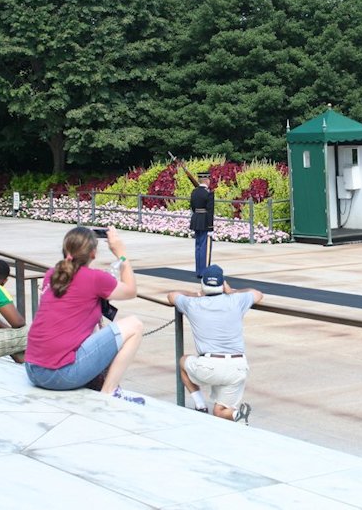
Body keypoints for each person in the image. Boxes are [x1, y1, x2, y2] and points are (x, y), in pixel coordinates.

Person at [25, 226, 145, 404]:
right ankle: (110, 391)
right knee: (135, 325)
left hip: (33, 370)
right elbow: (131, 290)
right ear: (93, 254)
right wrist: (121, 253)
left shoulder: (52, 274)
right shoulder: (95, 278)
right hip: (59, 375)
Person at [167, 264, 263, 423]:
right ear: (222, 284)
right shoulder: (236, 300)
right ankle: (235, 415)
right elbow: (257, 294)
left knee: (183, 361)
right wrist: (232, 291)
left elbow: (172, 295)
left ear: (203, 284)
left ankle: (200, 405)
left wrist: (196, 294)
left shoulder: (192, 303)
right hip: (237, 367)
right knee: (220, 412)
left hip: (209, 367)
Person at [190, 175, 214, 278]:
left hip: (196, 219)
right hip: (204, 221)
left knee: (198, 246)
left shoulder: (194, 192)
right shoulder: (208, 194)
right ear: (207, 181)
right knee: (204, 247)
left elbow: (192, 207)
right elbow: (210, 211)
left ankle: (198, 271)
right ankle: (203, 272)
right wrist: (210, 227)